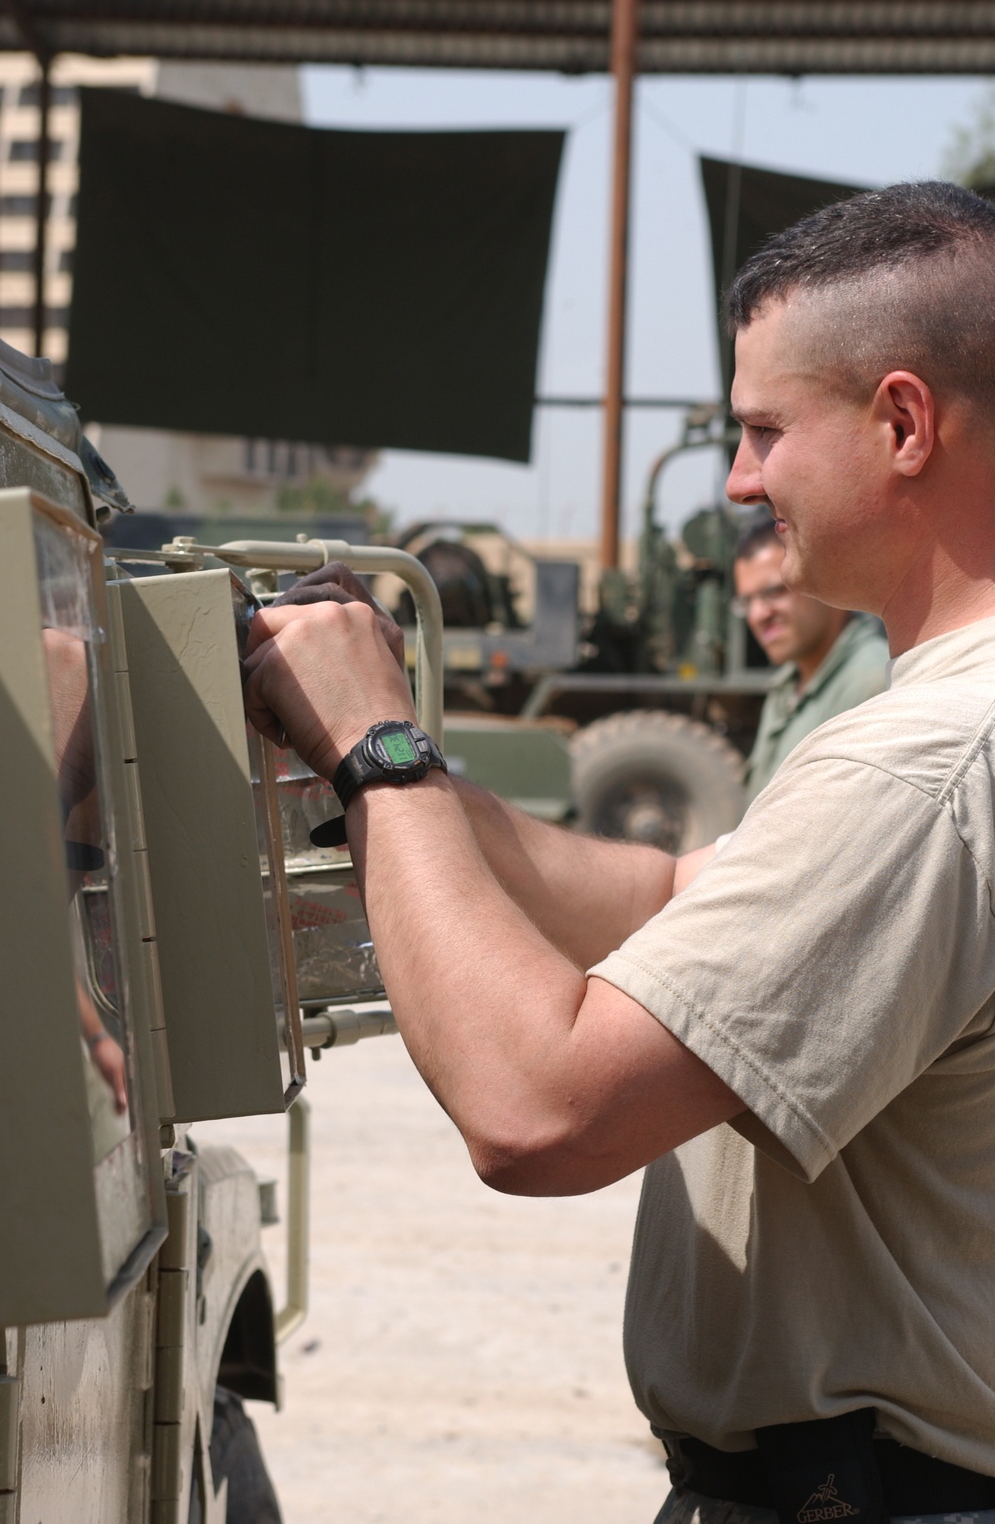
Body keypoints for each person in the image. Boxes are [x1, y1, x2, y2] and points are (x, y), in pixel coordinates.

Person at [245, 180, 995, 1524]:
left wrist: (381, 755)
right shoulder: (938, 727)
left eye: (765, 429)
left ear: (900, 422)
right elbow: (660, 891)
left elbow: (540, 1108)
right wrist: (375, 761)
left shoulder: (922, 762)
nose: (741, 480)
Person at [733, 516, 888, 798]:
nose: (758, 615)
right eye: (747, 601)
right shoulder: (786, 685)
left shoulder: (872, 683)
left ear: (827, 581)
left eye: (775, 592)